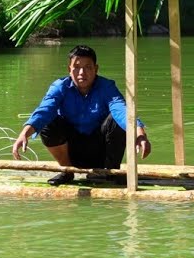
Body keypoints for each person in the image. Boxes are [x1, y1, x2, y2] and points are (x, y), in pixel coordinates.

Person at [11, 45, 151, 185]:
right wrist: (24, 133)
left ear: (96, 69)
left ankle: (109, 172)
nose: (82, 73)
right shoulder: (60, 87)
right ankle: (67, 171)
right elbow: (45, 110)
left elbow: (121, 110)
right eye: (77, 67)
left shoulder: (106, 87)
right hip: (71, 152)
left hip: (100, 151)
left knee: (116, 120)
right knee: (49, 122)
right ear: (69, 70)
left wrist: (140, 134)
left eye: (88, 67)